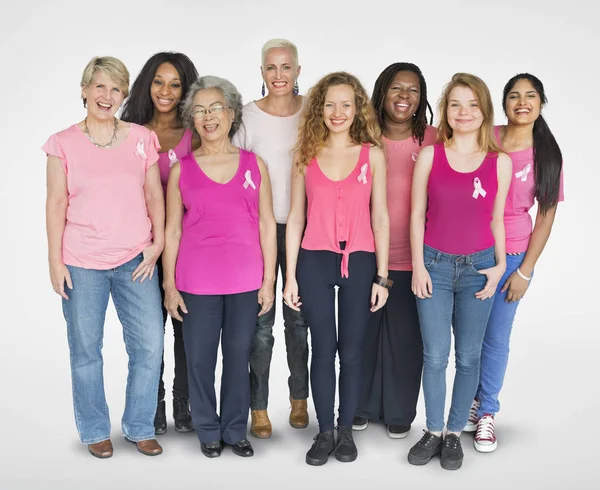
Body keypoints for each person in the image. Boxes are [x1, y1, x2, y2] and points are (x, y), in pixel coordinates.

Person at [44, 56, 165, 458]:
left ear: (124, 94)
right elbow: (56, 202)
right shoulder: (62, 143)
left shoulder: (141, 138)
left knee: (149, 346)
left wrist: (158, 242)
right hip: (82, 261)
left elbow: (153, 194)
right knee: (85, 350)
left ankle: (139, 425)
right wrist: (55, 261)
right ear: (84, 90)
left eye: (115, 89)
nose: (106, 96)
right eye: (99, 87)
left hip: (136, 259)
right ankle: (95, 428)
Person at [162, 76, 276, 458]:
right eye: (199, 110)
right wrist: (169, 285)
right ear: (192, 119)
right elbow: (173, 230)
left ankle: (234, 430)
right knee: (199, 359)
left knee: (239, 355)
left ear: (231, 114)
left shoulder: (253, 164)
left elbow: (265, 225)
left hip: (246, 280)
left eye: (215, 108)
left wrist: (268, 280)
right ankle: (208, 430)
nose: (208, 116)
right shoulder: (182, 170)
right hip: (196, 281)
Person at [284, 72, 390, 466]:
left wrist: (382, 276)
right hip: (314, 260)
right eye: (329, 104)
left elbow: (380, 217)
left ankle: (346, 430)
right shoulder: (306, 153)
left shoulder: (371, 154)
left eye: (346, 104)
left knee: (352, 350)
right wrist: (290, 276)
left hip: (360, 261)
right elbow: (296, 218)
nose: (337, 112)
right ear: (318, 109)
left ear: (358, 108)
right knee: (323, 349)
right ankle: (324, 430)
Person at [407, 73, 511, 470]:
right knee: (435, 356)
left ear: (484, 111)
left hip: (479, 269)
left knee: (468, 357)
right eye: (455, 105)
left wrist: (500, 266)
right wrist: (418, 266)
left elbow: (496, 220)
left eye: (472, 105)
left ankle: (453, 434)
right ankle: (432, 430)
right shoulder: (431, 155)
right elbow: (417, 214)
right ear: (446, 112)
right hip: (433, 263)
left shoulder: (498, 162)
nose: (464, 112)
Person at [464, 73, 565, 453]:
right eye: (513, 96)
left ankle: (486, 410)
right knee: (467, 337)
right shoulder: (486, 134)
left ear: (541, 103)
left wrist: (524, 271)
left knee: (495, 338)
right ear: (503, 103)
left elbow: (545, 216)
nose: (522, 102)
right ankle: (466, 404)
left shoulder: (548, 154)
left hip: (513, 258)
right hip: (471, 251)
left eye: (530, 96)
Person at [353, 62, 436, 439]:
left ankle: (400, 410)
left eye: (413, 90)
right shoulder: (361, 138)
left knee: (406, 338)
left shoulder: (435, 139)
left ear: (421, 98)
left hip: (417, 257)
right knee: (363, 332)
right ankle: (361, 405)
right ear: (382, 92)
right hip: (366, 251)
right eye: (396, 89)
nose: (404, 97)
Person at [232, 38, 309, 439]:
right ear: (261, 72)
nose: (278, 75)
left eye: (286, 67)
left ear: (298, 70)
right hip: (257, 230)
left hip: (304, 228)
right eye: (270, 68)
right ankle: (258, 407)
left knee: (298, 319)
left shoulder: (314, 111)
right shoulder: (246, 117)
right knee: (261, 324)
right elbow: (233, 175)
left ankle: (300, 400)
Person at [121, 52, 200, 435]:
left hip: (189, 248)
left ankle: (184, 404)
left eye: (174, 84)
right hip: (141, 249)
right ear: (146, 84)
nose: (165, 91)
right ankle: (151, 403)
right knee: (148, 334)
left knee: (186, 329)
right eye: (158, 81)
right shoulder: (129, 131)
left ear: (186, 90)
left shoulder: (197, 131)